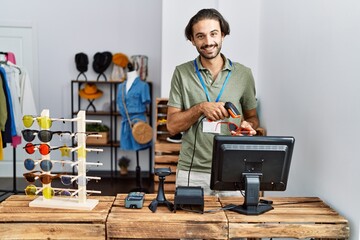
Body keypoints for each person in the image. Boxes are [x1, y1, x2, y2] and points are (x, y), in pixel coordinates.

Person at [166, 8, 259, 196]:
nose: (208, 42)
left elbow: (253, 117)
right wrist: (200, 108)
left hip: (234, 169)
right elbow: (172, 127)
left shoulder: (244, 74)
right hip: (192, 172)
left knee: (236, 224)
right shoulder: (182, 73)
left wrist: (250, 126)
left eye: (213, 34)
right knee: (190, 225)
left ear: (223, 35)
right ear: (192, 40)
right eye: (200, 36)